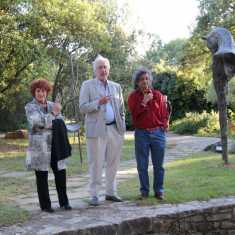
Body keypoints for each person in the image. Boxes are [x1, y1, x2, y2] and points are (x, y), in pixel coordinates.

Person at [79, 55, 125, 206]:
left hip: (114, 129)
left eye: (105, 67)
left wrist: (121, 127)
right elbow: (82, 107)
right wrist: (99, 102)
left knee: (113, 162)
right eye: (100, 67)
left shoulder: (116, 86)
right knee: (96, 163)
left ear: (108, 69)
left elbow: (121, 110)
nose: (103, 70)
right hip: (96, 130)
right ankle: (94, 195)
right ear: (95, 70)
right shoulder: (87, 85)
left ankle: (111, 192)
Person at [25, 79, 72, 213]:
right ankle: (46, 206)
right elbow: (36, 123)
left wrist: (50, 120)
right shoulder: (30, 107)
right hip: (40, 147)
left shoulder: (53, 105)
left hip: (57, 144)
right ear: (34, 92)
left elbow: (61, 121)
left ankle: (64, 202)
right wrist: (52, 115)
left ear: (47, 92)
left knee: (61, 173)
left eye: (43, 90)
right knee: (42, 176)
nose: (41, 93)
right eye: (38, 91)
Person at [128, 68, 171, 200]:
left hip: (158, 133)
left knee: (159, 165)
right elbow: (134, 116)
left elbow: (164, 112)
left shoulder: (158, 95)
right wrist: (144, 102)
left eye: (147, 79)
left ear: (150, 80)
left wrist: (164, 124)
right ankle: (144, 192)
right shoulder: (133, 97)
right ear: (137, 82)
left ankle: (159, 191)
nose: (145, 82)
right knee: (142, 165)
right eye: (141, 80)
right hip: (142, 134)